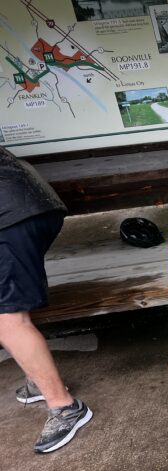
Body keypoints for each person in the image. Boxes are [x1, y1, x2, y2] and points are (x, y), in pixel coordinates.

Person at [0, 146, 92, 453]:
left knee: (7, 320)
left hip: (10, 218)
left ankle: (66, 408)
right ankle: (37, 380)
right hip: (30, 204)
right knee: (11, 307)